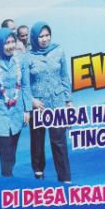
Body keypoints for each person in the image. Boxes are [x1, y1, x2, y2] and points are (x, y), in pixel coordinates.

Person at [0, 27, 30, 177]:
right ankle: (7, 181)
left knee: (12, 151)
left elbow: (26, 86)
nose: (10, 46)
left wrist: (27, 110)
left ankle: (8, 174)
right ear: (0, 44)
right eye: (6, 43)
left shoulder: (21, 60)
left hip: (16, 111)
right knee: (5, 150)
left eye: (12, 42)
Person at [26, 21, 73, 182]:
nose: (45, 39)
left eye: (47, 35)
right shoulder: (28, 56)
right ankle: (38, 172)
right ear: (34, 38)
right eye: (41, 36)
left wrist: (68, 101)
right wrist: (32, 101)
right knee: (38, 142)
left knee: (59, 141)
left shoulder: (58, 51)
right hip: (39, 106)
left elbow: (64, 76)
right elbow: (24, 84)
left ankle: (65, 178)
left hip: (58, 102)